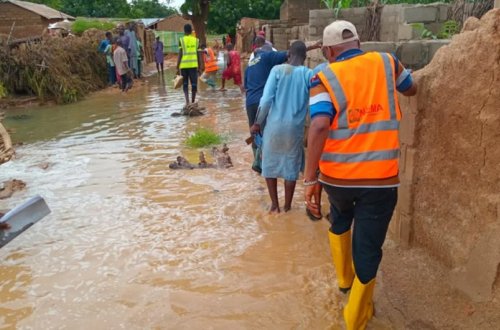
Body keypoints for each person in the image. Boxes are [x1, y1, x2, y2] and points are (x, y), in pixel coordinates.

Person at [304, 21, 417, 330]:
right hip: (380, 180)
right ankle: (356, 319)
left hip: (337, 179)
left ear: (327, 51)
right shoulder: (386, 61)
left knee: (340, 220)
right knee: (367, 246)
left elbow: (319, 124)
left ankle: (343, 282)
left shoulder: (322, 76)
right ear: (358, 42)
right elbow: (411, 87)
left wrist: (309, 179)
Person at [249, 41, 313, 213]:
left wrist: (257, 123)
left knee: (269, 165)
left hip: (274, 127)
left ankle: (274, 206)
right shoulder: (308, 74)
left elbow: (266, 100)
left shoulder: (277, 70)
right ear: (305, 58)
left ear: (288, 55)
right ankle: (287, 207)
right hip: (295, 129)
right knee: (291, 166)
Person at [176, 24, 203, 105]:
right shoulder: (196, 40)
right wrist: (200, 66)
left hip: (183, 66)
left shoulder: (181, 40)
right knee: (194, 84)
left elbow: (180, 54)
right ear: (191, 31)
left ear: (184, 31)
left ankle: (187, 101)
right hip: (193, 66)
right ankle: (193, 101)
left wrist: (177, 67)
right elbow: (198, 54)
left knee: (185, 84)